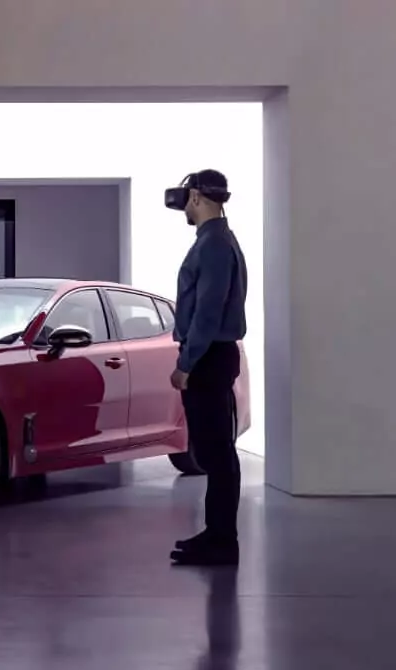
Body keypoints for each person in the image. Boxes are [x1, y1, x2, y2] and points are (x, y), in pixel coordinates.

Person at [164, 170, 247, 566]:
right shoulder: (217, 240)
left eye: (186, 198)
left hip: (209, 357)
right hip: (214, 355)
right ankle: (216, 535)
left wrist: (186, 363)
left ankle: (221, 542)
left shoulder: (213, 244)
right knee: (216, 453)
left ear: (196, 197)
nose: (183, 206)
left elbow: (207, 312)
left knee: (216, 453)